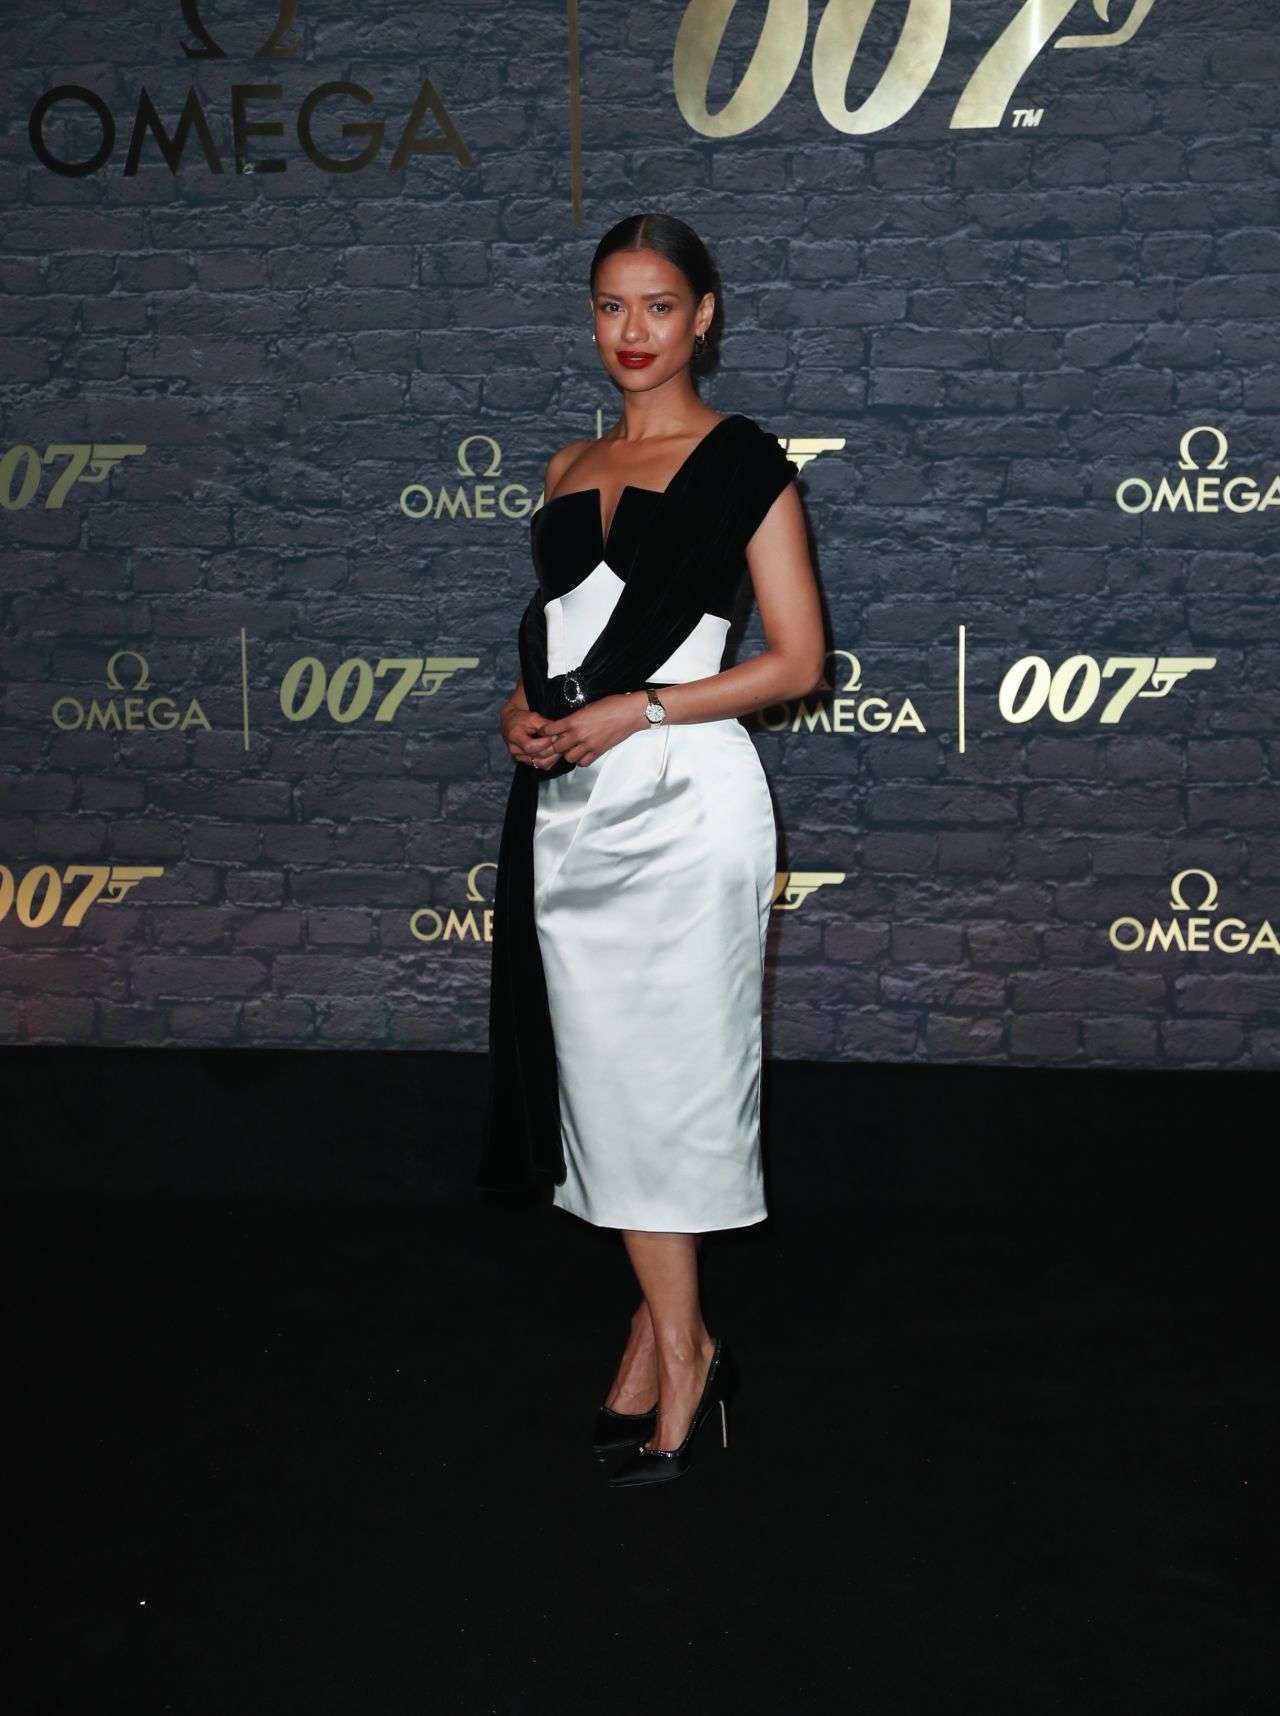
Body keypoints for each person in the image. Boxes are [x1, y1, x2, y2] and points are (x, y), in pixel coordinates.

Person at [480, 211, 823, 1487]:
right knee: (604, 1082)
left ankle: (684, 1355)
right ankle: (654, 1328)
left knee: (668, 1079)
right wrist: (522, 713)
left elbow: (795, 662)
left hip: (686, 797)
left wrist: (640, 710)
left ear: (703, 317)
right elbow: (561, 640)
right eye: (611, 307)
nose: (633, 332)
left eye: (659, 306)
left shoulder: (743, 464)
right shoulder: (566, 465)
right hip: (574, 807)